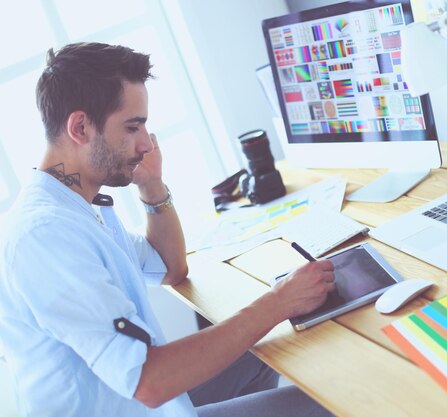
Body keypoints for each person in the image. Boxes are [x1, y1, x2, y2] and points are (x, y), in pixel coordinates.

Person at [0, 42, 336, 417]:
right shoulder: (45, 236)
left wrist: (152, 185)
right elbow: (149, 382)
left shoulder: (76, 208)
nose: (146, 143)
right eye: (133, 127)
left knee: (261, 350)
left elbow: (169, 268)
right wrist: (280, 301)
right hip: (145, 401)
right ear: (80, 127)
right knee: (334, 401)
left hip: (144, 404)